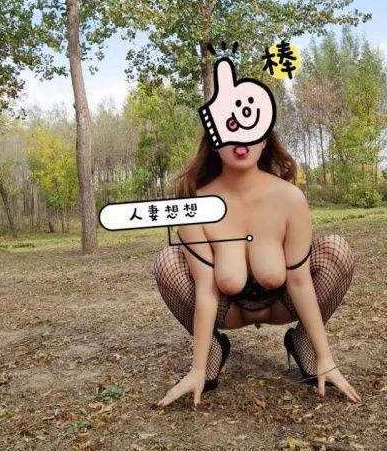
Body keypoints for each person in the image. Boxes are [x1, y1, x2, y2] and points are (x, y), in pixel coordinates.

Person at [153, 129, 361, 408]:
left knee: (337, 249)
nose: (241, 141)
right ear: (214, 141)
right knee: (167, 261)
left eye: (251, 130)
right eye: (230, 129)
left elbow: (300, 282)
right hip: (228, 310)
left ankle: (303, 341)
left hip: (283, 303)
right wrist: (197, 369)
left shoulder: (291, 198)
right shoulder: (195, 206)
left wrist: (326, 358)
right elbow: (206, 291)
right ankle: (213, 349)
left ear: (264, 140)